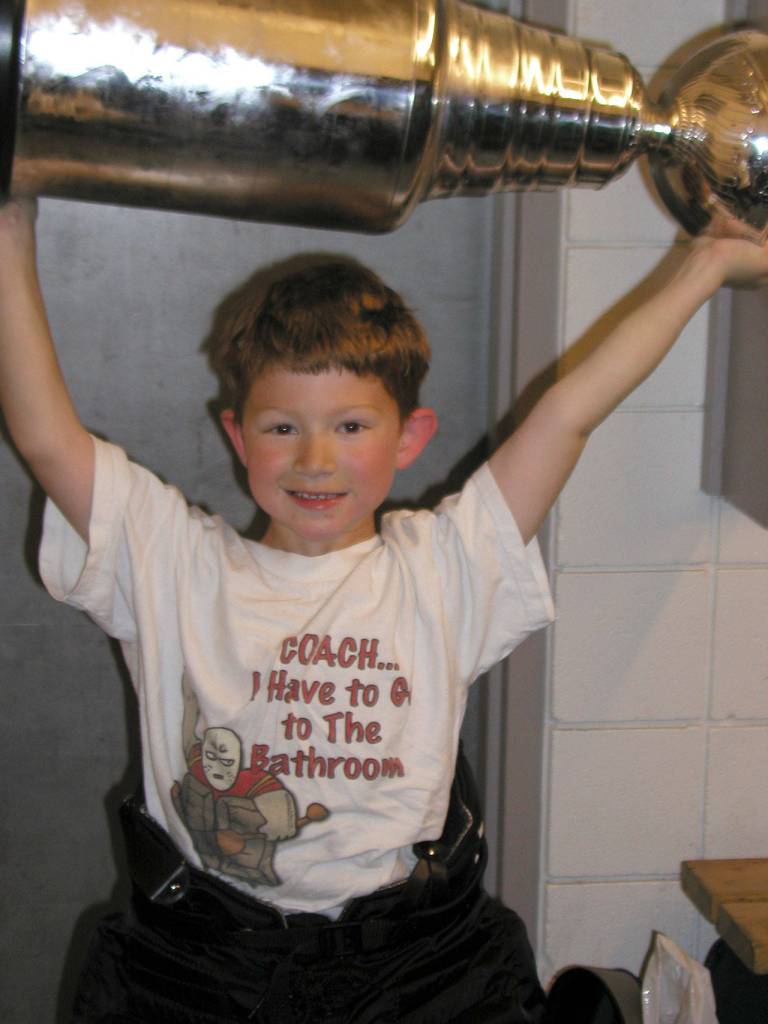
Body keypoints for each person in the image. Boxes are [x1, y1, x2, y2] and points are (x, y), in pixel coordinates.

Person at [1, 196, 768, 1024]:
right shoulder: (171, 561)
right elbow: (47, 440)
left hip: (412, 972)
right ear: (237, 435)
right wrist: (11, 226)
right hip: (198, 969)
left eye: (352, 425)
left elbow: (568, 414)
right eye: (283, 426)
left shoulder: (445, 565)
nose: (316, 459)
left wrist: (705, 266)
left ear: (409, 437)